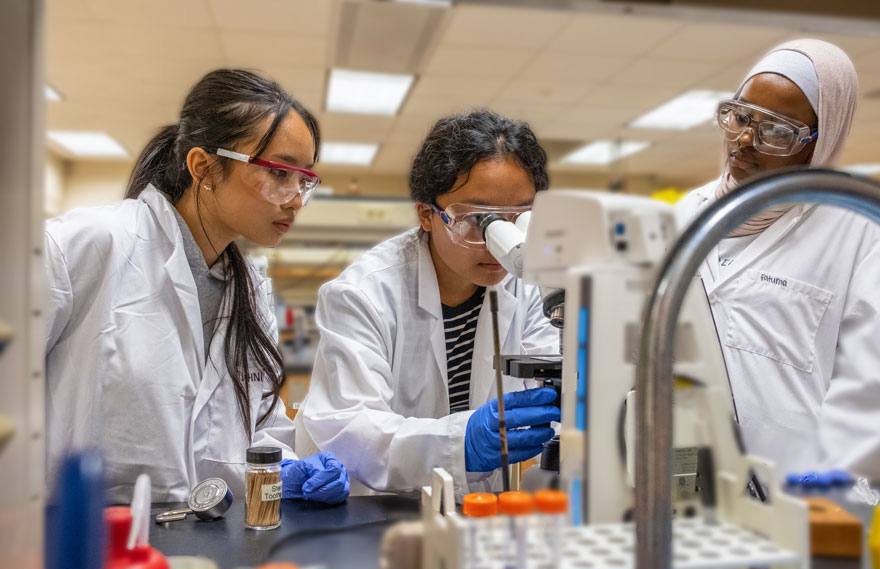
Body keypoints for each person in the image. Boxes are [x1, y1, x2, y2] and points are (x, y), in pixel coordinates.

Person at [45, 69, 350, 504]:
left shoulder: (249, 291)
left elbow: (251, 428)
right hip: (82, 545)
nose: (296, 198)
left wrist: (283, 466)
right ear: (203, 167)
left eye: (304, 180)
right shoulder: (85, 245)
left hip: (204, 544)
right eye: (280, 174)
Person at [302, 110, 560, 499]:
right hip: (378, 515)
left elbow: (552, 382)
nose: (502, 244)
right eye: (479, 220)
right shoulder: (363, 293)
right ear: (427, 214)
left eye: (520, 218)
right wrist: (462, 442)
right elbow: (350, 428)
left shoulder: (528, 289)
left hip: (480, 512)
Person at [676, 39, 880, 479]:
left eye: (776, 131)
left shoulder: (856, 231)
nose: (744, 139)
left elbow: (875, 384)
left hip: (797, 484)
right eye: (740, 117)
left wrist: (837, 479)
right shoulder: (682, 215)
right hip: (684, 475)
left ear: (821, 138)